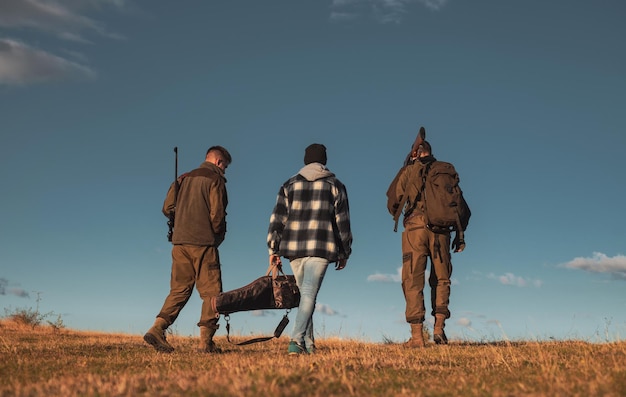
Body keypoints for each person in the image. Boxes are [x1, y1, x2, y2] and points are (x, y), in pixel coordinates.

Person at [144, 146, 232, 353]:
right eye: (225, 167)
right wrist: (217, 235)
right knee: (211, 293)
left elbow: (167, 208)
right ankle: (205, 343)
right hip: (203, 244)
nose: (225, 171)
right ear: (219, 163)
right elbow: (217, 216)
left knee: (179, 290)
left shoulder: (183, 178)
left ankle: (157, 328)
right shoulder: (215, 180)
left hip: (180, 243)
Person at [267, 143, 352, 355]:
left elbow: (277, 220)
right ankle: (296, 342)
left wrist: (273, 249)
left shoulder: (288, 185)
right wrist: (345, 251)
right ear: (324, 161)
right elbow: (343, 222)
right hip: (322, 246)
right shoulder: (335, 185)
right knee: (308, 294)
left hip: (293, 248)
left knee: (306, 295)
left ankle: (309, 345)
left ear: (305, 160)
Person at [392, 140, 460, 347]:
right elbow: (460, 206)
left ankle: (417, 337)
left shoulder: (410, 171)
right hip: (442, 232)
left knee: (412, 279)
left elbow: (394, 200)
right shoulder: (444, 173)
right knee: (441, 279)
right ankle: (439, 328)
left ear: (415, 153)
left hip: (416, 228)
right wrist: (458, 233)